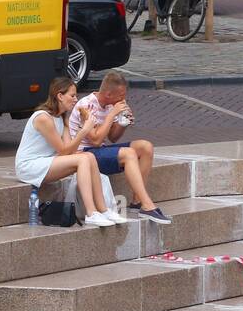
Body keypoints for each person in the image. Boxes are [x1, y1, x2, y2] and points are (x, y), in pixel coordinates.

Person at [14, 76, 124, 228]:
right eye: (72, 95)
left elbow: (69, 150)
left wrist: (85, 129)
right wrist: (85, 130)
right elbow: (63, 151)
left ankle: (103, 210)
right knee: (83, 159)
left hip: (47, 161)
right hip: (29, 166)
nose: (75, 99)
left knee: (89, 156)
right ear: (60, 96)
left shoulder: (61, 118)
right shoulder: (43, 118)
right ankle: (91, 213)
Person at [69, 70, 170, 224]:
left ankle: (137, 202)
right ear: (109, 94)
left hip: (99, 151)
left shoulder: (110, 105)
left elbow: (113, 137)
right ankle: (148, 206)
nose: (123, 99)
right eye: (121, 95)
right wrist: (112, 114)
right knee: (129, 154)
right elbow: (95, 140)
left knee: (145, 146)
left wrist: (123, 123)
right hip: (84, 154)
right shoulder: (86, 106)